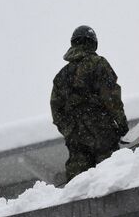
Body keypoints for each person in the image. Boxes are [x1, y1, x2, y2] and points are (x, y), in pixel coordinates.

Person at [50, 25, 129, 181]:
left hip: (75, 137)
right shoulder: (98, 63)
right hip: (101, 128)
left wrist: (69, 130)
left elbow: (56, 111)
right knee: (110, 175)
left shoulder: (61, 76)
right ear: (93, 43)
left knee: (79, 183)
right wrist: (121, 123)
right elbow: (111, 97)